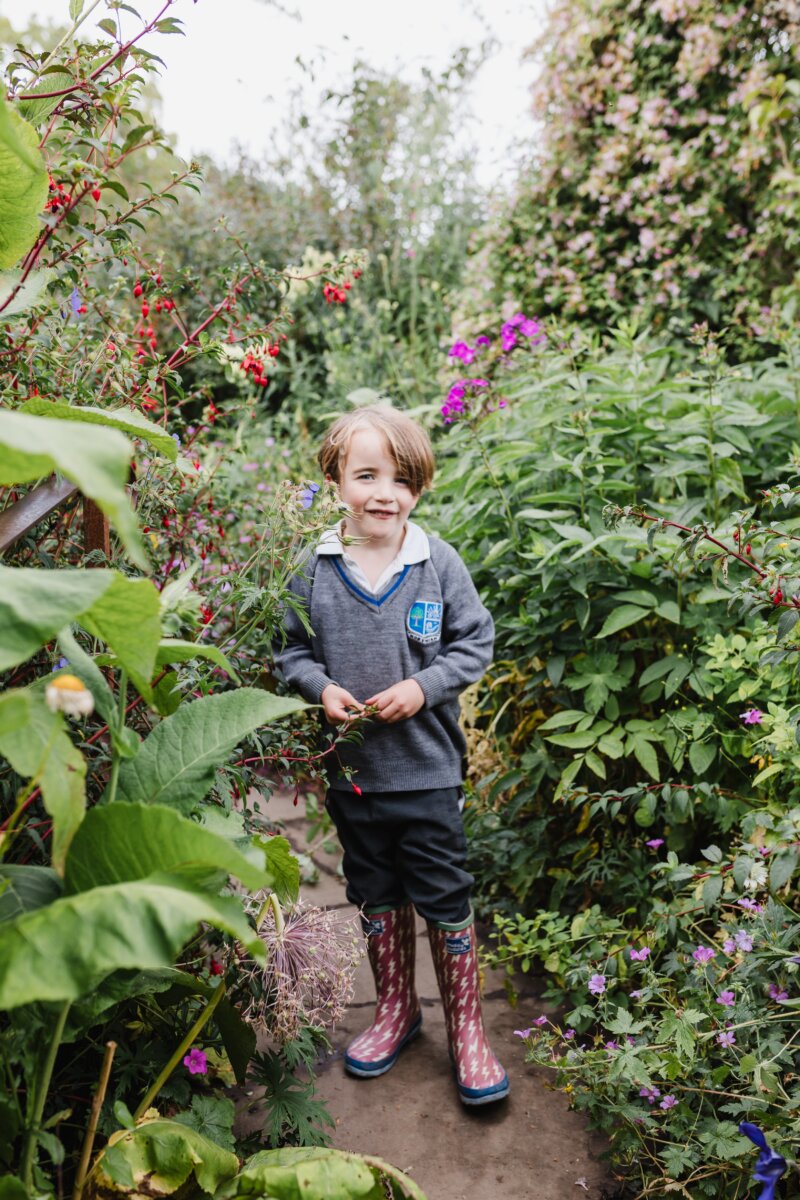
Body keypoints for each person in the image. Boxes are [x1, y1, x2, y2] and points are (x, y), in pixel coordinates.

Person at [273, 404, 508, 1107]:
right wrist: (320, 688)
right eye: (367, 475)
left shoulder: (435, 562)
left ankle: (466, 1025)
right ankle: (396, 1011)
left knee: (444, 895)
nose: (385, 493)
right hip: (355, 777)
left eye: (401, 480)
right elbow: (290, 649)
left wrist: (423, 685)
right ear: (336, 480)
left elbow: (474, 642)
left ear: (419, 488)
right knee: (374, 890)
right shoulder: (313, 568)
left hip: (427, 772)